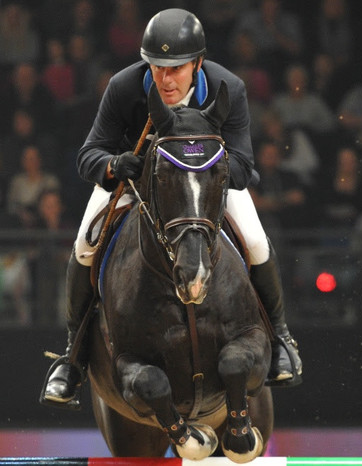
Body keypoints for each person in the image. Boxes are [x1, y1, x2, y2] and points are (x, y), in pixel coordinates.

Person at [41, 8, 302, 408]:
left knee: (255, 239)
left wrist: (203, 168)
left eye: (176, 68)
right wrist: (115, 164)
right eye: (157, 66)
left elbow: (245, 166)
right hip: (137, 184)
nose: (165, 78)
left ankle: (281, 339)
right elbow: (88, 154)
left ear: (197, 63)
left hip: (204, 187)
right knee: (83, 245)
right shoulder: (124, 87)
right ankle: (72, 359)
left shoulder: (226, 87)